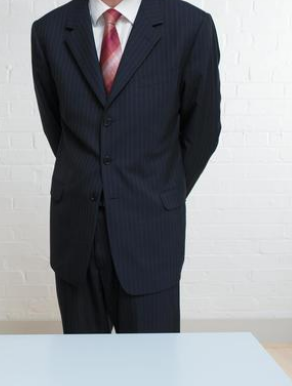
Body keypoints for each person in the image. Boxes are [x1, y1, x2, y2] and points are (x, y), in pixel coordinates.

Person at [31, 0, 221, 333]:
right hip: (76, 233)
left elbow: (203, 131)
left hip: (151, 232)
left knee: (153, 362)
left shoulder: (191, 26)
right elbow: (57, 128)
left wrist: (162, 190)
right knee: (81, 361)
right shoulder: (48, 31)